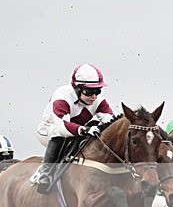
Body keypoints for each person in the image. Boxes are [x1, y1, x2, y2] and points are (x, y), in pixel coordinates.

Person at [30, 64, 115, 193]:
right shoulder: (62, 97)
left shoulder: (99, 101)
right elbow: (62, 126)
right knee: (61, 135)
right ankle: (45, 172)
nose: (94, 96)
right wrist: (84, 130)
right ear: (77, 89)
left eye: (97, 91)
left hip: (75, 131)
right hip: (49, 130)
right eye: (89, 91)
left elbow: (111, 121)